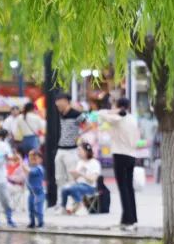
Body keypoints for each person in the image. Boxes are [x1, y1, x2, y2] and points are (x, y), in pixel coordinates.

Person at [99, 97, 140, 230]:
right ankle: (131, 217)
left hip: (120, 155)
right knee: (129, 187)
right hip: (132, 155)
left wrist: (114, 111)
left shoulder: (117, 119)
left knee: (123, 187)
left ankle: (127, 220)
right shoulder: (132, 119)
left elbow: (100, 114)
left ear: (118, 106)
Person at [60, 143, 102, 216]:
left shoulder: (95, 163)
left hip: (90, 187)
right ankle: (63, 208)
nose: (78, 152)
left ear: (86, 151)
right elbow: (76, 179)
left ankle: (80, 206)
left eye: (80, 150)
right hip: (79, 185)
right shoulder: (80, 162)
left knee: (74, 188)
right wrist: (74, 174)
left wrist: (81, 174)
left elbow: (93, 179)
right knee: (65, 189)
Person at [53, 93, 83, 194]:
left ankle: (73, 202)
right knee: (59, 177)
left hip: (71, 150)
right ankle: (61, 202)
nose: (58, 107)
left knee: (71, 177)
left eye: (59, 104)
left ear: (65, 101)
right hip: (60, 148)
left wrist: (78, 135)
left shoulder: (76, 114)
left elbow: (89, 125)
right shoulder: (60, 114)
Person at [25, 150, 47, 229]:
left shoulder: (39, 168)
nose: (32, 160)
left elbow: (30, 172)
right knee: (31, 208)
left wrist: (21, 163)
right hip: (31, 193)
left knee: (38, 209)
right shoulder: (30, 167)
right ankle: (32, 222)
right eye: (31, 158)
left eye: (35, 158)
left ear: (40, 160)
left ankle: (41, 223)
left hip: (39, 193)